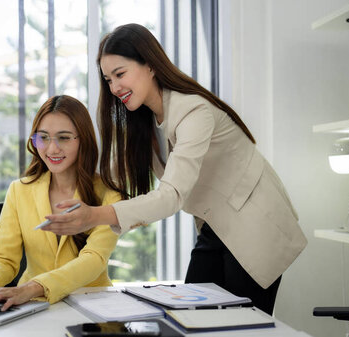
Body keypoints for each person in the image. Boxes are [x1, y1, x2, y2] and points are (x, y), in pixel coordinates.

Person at [41, 24, 307, 315]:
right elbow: (111, 177)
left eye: (120, 74)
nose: (114, 87)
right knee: (191, 316)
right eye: (108, 80)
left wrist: (92, 216)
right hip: (215, 226)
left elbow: (171, 196)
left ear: (151, 66)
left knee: (239, 326)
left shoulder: (194, 111)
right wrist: (63, 165)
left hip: (255, 225)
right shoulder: (145, 121)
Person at [0, 95, 120, 311]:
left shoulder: (109, 194)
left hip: (91, 307)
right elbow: (5, 261)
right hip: (31, 307)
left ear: (83, 139)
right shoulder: (19, 190)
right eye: (43, 137)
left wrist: (32, 287)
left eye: (64, 138)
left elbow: (94, 259)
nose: (51, 149)